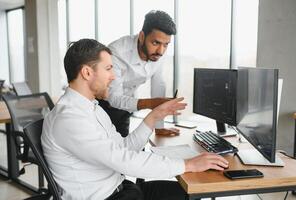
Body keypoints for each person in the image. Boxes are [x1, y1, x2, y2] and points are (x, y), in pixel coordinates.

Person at [42, 39, 228, 200]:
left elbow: (123, 148)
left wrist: (154, 116)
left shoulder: (92, 108)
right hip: (107, 197)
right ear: (87, 73)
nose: (113, 76)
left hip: (123, 190)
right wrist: (188, 165)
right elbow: (124, 160)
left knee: (189, 195)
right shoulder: (69, 119)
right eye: (108, 68)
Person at [98, 10, 178, 137]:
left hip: (127, 107)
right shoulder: (117, 51)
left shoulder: (158, 54)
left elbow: (158, 87)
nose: (161, 51)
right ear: (142, 36)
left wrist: (159, 127)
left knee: (124, 149)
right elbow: (113, 97)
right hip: (104, 106)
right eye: (155, 43)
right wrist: (151, 103)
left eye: (166, 45)